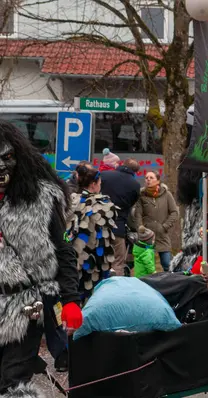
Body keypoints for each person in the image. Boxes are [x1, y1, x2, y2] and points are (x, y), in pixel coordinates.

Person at [0, 120, 82, 396]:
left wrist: (70, 299)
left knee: (11, 383)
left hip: (25, 307)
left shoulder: (40, 200)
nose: (1, 166)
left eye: (7, 158)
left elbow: (64, 250)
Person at [67, 165, 117, 299]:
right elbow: (103, 240)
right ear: (93, 184)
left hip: (70, 259)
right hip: (93, 261)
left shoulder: (70, 201)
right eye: (99, 183)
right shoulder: (104, 204)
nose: (100, 186)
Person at [100, 158, 141, 276]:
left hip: (99, 226)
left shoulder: (104, 176)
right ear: (135, 172)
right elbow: (131, 204)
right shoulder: (135, 185)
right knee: (118, 262)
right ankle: (116, 288)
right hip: (118, 227)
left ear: (122, 164)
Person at [134, 171, 179, 272]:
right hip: (147, 236)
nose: (148, 180)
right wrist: (140, 228)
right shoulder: (142, 196)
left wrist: (165, 226)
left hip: (162, 235)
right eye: (146, 178)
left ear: (158, 180)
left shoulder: (166, 194)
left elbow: (174, 212)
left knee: (167, 264)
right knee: (147, 265)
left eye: (151, 177)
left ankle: (170, 284)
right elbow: (138, 214)